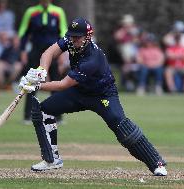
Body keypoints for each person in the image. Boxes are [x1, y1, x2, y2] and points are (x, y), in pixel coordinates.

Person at [18, 17, 167, 176]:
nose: (73, 39)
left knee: (123, 129)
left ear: (88, 37)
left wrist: (36, 86)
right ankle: (51, 159)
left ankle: (156, 163)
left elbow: (64, 84)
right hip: (79, 92)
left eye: (77, 37)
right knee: (42, 111)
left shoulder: (92, 58)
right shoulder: (70, 40)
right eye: (72, 36)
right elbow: (50, 52)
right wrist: (42, 70)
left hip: (103, 95)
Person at [18, 0, 68, 124]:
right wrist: (22, 51)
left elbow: (63, 34)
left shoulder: (58, 12)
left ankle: (58, 115)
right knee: (32, 82)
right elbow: (23, 32)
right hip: (36, 51)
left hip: (54, 52)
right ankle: (28, 115)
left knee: (56, 83)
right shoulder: (31, 12)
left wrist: (63, 53)